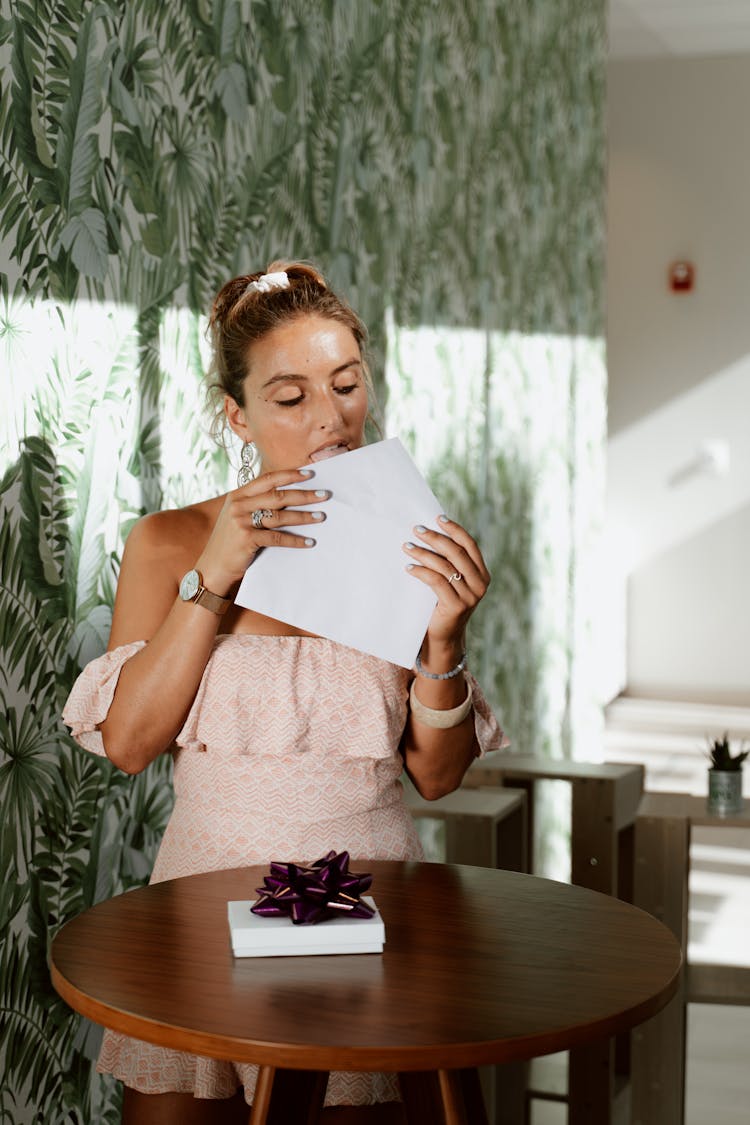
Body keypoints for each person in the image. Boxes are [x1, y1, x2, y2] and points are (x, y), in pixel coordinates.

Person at [63, 261, 504, 1124]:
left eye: (346, 383)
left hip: (374, 900)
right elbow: (127, 743)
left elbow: (439, 775)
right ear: (239, 415)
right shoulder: (169, 541)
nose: (331, 417)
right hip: (201, 901)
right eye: (291, 395)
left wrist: (444, 640)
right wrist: (214, 577)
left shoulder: (414, 540)